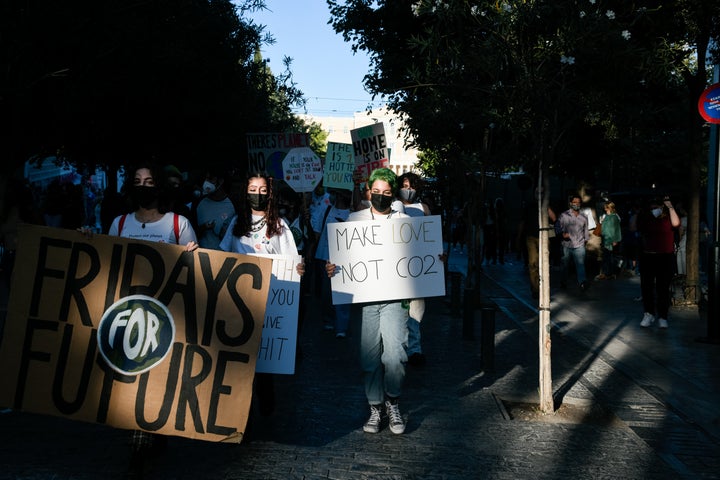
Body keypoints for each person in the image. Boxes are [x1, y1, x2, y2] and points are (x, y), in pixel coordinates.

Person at [103, 162, 199, 479]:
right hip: (128, 317)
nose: (144, 186)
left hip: (166, 319)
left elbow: (199, 272)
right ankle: (142, 442)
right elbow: (106, 265)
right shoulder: (118, 225)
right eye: (137, 181)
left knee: (154, 382)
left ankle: (144, 442)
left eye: (149, 181)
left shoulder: (178, 225)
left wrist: (194, 254)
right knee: (134, 381)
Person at [325, 168, 410, 435]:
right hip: (366, 299)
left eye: (387, 193)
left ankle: (393, 401)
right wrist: (333, 269)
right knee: (369, 357)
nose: (382, 197)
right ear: (368, 192)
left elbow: (417, 255)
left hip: (396, 297)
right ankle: (375, 407)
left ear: (393, 194)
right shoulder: (354, 220)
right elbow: (342, 258)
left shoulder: (403, 220)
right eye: (377, 192)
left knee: (396, 355)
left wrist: (434, 260)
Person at [219, 172, 304, 417]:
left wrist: (298, 269)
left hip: (270, 302)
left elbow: (290, 261)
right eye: (252, 189)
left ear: (269, 194)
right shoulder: (237, 223)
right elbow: (223, 255)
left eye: (262, 189)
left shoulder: (279, 226)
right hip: (240, 303)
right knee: (241, 358)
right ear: (245, 193)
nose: (257, 194)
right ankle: (241, 412)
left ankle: (266, 399)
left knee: (263, 359)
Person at [396, 172, 431, 366]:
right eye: (405, 185)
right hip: (397, 268)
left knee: (416, 310)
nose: (408, 190)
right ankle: (399, 347)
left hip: (418, 267)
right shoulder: (392, 207)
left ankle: (415, 349)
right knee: (398, 311)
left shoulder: (423, 208)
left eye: (412, 186)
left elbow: (431, 236)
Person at [313, 188, 353, 337]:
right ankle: (328, 320)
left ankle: (342, 326)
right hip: (325, 256)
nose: (340, 196)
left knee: (343, 293)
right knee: (326, 294)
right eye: (339, 193)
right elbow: (317, 230)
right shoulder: (326, 209)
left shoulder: (354, 213)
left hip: (345, 259)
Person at [638, 196, 681, 329]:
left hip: (665, 257)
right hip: (648, 256)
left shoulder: (668, 217)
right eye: (652, 207)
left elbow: (676, 223)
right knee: (647, 287)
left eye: (656, 207)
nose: (654, 209)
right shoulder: (646, 218)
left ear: (661, 207)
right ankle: (649, 313)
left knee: (663, 289)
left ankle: (663, 317)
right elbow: (635, 227)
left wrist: (670, 206)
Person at [517, 187, 556, 298]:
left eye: (542, 192)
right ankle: (535, 289)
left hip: (544, 237)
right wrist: (518, 238)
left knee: (543, 263)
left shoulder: (546, 205)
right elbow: (522, 222)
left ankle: (543, 288)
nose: (539, 194)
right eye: (537, 192)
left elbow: (554, 218)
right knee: (533, 263)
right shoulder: (529, 206)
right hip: (531, 237)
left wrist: (546, 205)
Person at [193, 169, 236, 250]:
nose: (206, 183)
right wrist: (203, 228)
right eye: (206, 179)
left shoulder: (233, 203)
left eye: (210, 179)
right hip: (203, 255)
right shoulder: (198, 203)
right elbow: (191, 233)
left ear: (221, 181)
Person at [555, 194, 590, 291]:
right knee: (565, 266)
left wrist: (585, 240)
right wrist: (562, 235)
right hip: (566, 245)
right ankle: (563, 281)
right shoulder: (564, 215)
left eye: (579, 202)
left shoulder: (584, 217)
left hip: (579, 245)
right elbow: (557, 227)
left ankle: (582, 282)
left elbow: (586, 230)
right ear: (570, 203)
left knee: (580, 264)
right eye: (575, 202)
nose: (577, 204)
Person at [596, 201, 622, 280]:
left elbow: (617, 230)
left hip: (611, 240)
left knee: (610, 258)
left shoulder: (614, 217)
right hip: (605, 239)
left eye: (606, 207)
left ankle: (610, 273)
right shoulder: (606, 216)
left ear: (609, 207)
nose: (604, 208)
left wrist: (616, 240)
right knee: (606, 257)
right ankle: (606, 273)